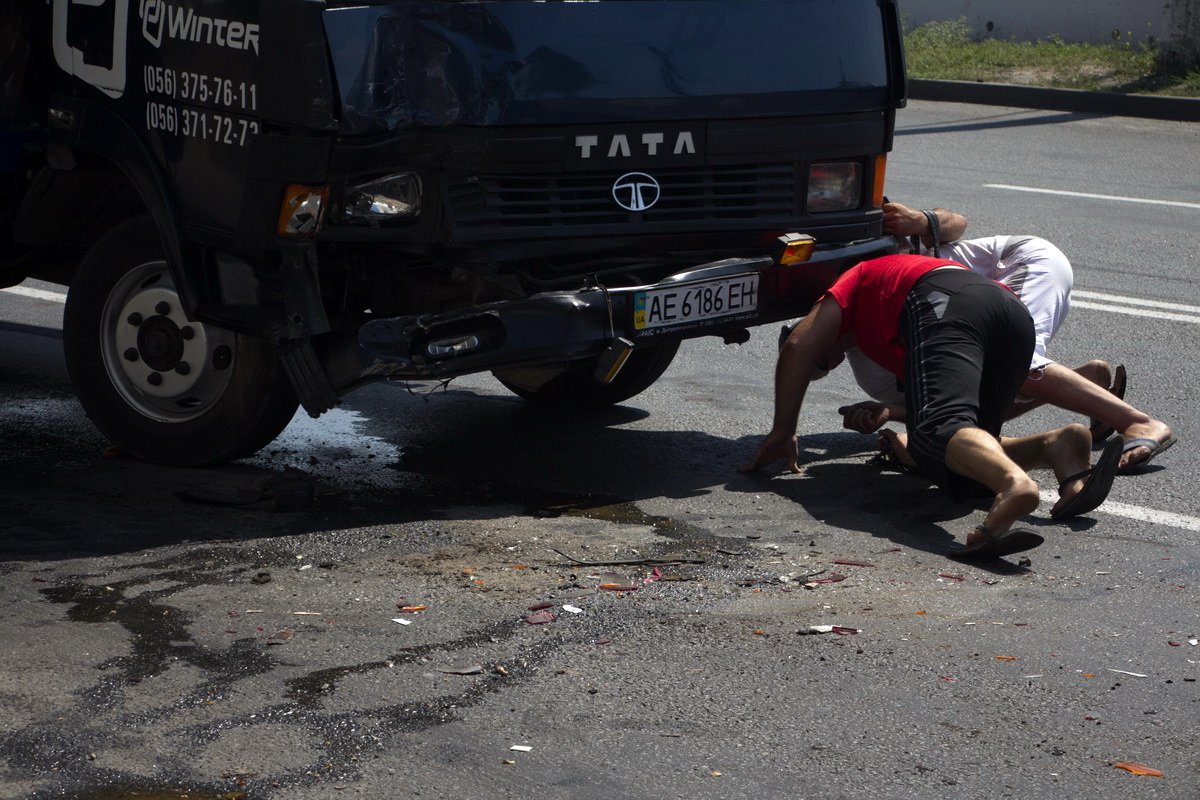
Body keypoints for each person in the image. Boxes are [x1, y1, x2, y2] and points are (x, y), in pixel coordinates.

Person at [742, 253, 1124, 560]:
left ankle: (1015, 486)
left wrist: (782, 430)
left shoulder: (852, 284)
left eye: (821, 360)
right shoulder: (884, 333)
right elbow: (946, 409)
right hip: (1007, 312)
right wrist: (888, 412)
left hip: (946, 299)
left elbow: (796, 346)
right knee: (965, 468)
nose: (830, 360)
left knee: (937, 436)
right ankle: (1057, 448)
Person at [837, 201, 1175, 474]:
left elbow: (955, 222)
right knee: (985, 388)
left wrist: (920, 220)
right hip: (978, 304)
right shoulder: (870, 351)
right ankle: (1083, 385)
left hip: (1022, 264)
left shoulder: (884, 247)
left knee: (1015, 361)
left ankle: (1139, 423)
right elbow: (946, 403)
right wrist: (889, 414)